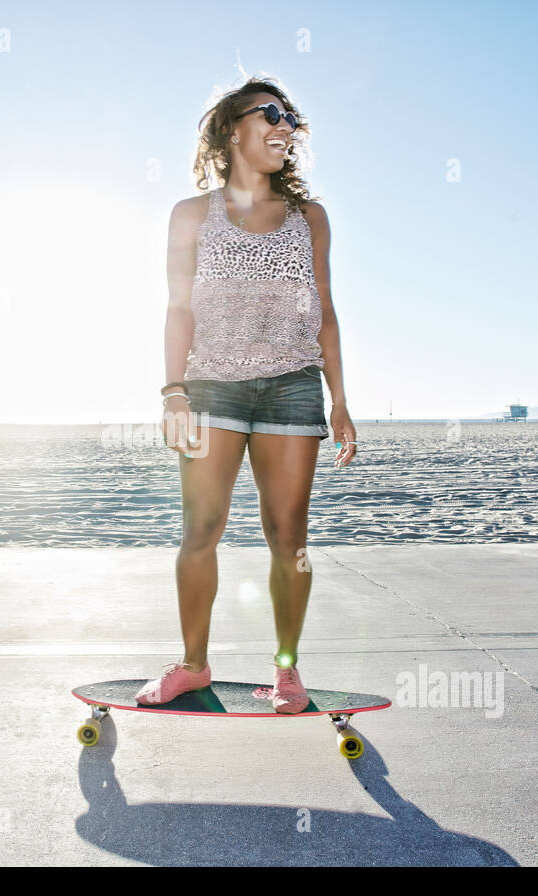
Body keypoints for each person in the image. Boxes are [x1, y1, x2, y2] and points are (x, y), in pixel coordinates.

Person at [140, 76, 357, 713]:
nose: (285, 125)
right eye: (270, 113)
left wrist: (339, 398)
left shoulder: (308, 217)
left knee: (289, 539)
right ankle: (192, 665)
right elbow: (179, 307)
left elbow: (325, 310)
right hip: (210, 387)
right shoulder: (190, 215)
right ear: (234, 127)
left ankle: (287, 674)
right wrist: (172, 390)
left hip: (292, 386)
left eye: (291, 116)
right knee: (200, 531)